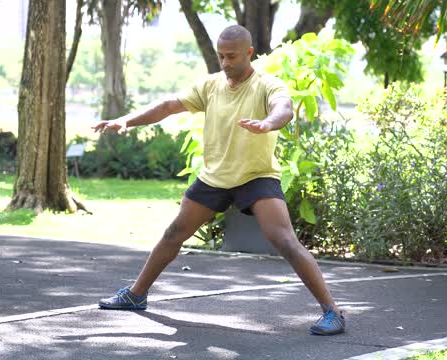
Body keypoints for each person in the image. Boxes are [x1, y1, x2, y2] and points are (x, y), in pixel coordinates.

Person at [93, 25, 345, 336]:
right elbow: (169, 106)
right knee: (174, 232)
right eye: (221, 56)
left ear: (249, 53)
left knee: (283, 240)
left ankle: (332, 311)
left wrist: (268, 123)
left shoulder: (267, 85)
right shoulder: (211, 85)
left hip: (256, 175)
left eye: (232, 56)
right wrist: (125, 120)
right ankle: (136, 294)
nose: (225, 63)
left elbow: (285, 109)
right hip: (215, 177)